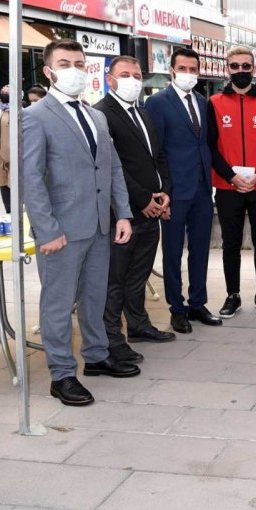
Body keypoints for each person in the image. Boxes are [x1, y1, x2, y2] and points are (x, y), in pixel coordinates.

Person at [22, 39, 137, 406]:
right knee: (58, 304)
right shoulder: (35, 116)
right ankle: (61, 374)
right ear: (48, 71)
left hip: (100, 225)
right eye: (65, 63)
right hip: (61, 230)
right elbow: (30, 178)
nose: (74, 70)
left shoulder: (95, 115)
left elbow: (112, 167)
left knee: (94, 296)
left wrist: (123, 213)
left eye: (79, 63)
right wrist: (47, 230)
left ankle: (97, 356)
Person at [95, 56, 177, 363]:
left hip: (152, 210)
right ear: (110, 79)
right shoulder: (101, 114)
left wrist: (165, 192)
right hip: (124, 213)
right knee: (115, 279)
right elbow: (112, 167)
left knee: (139, 274)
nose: (132, 80)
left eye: (137, 74)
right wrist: (143, 200)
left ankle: (139, 325)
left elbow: (158, 157)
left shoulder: (143, 113)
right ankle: (111, 339)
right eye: (125, 74)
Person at [144, 47, 221, 334]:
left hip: (202, 188)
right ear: (172, 71)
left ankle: (197, 303)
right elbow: (156, 151)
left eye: (193, 69)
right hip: (174, 191)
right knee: (173, 252)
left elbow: (204, 143)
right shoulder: (158, 103)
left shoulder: (202, 101)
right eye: (183, 69)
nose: (188, 74)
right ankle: (176, 308)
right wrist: (162, 191)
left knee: (200, 249)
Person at [208, 46, 256, 318]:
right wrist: (231, 176)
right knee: (230, 243)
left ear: (254, 69)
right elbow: (210, 147)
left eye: (245, 66)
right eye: (235, 66)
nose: (240, 70)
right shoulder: (214, 103)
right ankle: (233, 295)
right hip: (228, 188)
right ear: (227, 68)